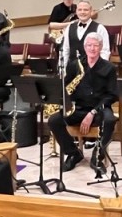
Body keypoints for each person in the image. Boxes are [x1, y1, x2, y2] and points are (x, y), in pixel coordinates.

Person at [47, 33, 118, 177]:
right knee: (54, 120)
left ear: (101, 47)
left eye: (95, 45)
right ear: (84, 47)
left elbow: (112, 95)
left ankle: (97, 156)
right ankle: (73, 153)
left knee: (110, 120)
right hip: (77, 108)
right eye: (89, 45)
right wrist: (64, 103)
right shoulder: (75, 65)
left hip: (99, 109)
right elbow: (65, 88)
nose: (92, 48)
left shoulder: (109, 68)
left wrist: (92, 113)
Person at [60, 0, 111, 70]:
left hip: (92, 70)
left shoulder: (100, 28)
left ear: (91, 11)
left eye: (85, 10)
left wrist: (100, 70)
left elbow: (105, 51)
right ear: (76, 11)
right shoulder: (69, 27)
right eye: (80, 10)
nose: (82, 12)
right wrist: (64, 69)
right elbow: (66, 50)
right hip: (72, 71)